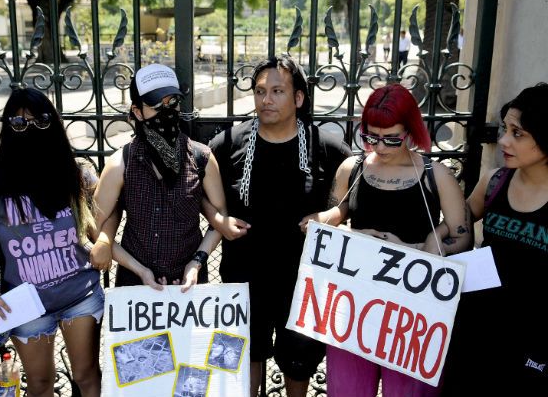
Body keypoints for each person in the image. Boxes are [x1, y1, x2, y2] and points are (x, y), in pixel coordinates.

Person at [302, 83, 471, 396]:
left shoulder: (436, 175)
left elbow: (463, 236)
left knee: (406, 391)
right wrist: (330, 225)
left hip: (412, 310)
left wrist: (416, 249)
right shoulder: (352, 168)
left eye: (391, 138)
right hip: (354, 305)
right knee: (347, 388)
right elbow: (338, 210)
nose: (379, 146)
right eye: (370, 136)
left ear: (410, 130)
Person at [209, 55, 351, 397]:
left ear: (299, 98)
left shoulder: (327, 148)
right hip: (244, 272)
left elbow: (354, 196)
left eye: (277, 91)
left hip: (304, 281)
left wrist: (330, 217)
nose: (266, 100)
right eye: (259, 91)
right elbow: (202, 195)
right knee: (245, 354)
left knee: (298, 360)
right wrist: (219, 220)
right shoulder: (226, 144)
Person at [0, 88, 103, 397]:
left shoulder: (77, 175)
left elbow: (99, 228)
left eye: (41, 122)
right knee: (39, 384)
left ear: (55, 125)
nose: (32, 130)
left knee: (87, 375)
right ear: (8, 129)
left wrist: (102, 242)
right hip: (24, 303)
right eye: (21, 124)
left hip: (80, 293)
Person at [91, 64, 237, 291]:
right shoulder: (121, 163)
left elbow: (220, 218)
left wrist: (196, 263)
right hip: (135, 287)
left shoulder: (202, 158)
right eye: (156, 105)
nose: (166, 111)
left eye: (172, 103)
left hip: (189, 286)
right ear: (137, 111)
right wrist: (139, 269)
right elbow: (94, 225)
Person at [442, 83, 548, 396]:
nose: (503, 140)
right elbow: (457, 225)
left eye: (518, 133)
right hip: (475, 330)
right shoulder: (494, 182)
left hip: (531, 347)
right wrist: (433, 239)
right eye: (505, 129)